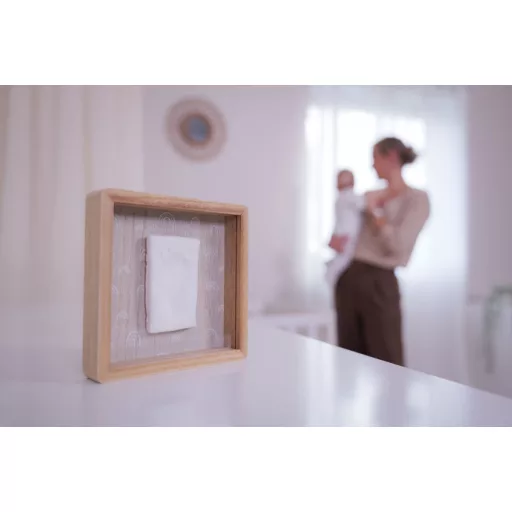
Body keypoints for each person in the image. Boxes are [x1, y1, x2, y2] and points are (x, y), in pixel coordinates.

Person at [329, 137, 430, 366]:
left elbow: (400, 246)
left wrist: (377, 214)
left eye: (375, 157)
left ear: (391, 156)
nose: (372, 164)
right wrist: (337, 240)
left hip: (380, 283)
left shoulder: (416, 200)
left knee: (388, 361)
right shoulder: (368, 196)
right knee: (347, 361)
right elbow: (347, 228)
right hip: (349, 277)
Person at [325, 169, 365, 288]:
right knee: (339, 266)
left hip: (348, 237)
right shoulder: (341, 199)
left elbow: (364, 205)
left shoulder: (349, 197)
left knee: (340, 266)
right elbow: (339, 221)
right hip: (343, 236)